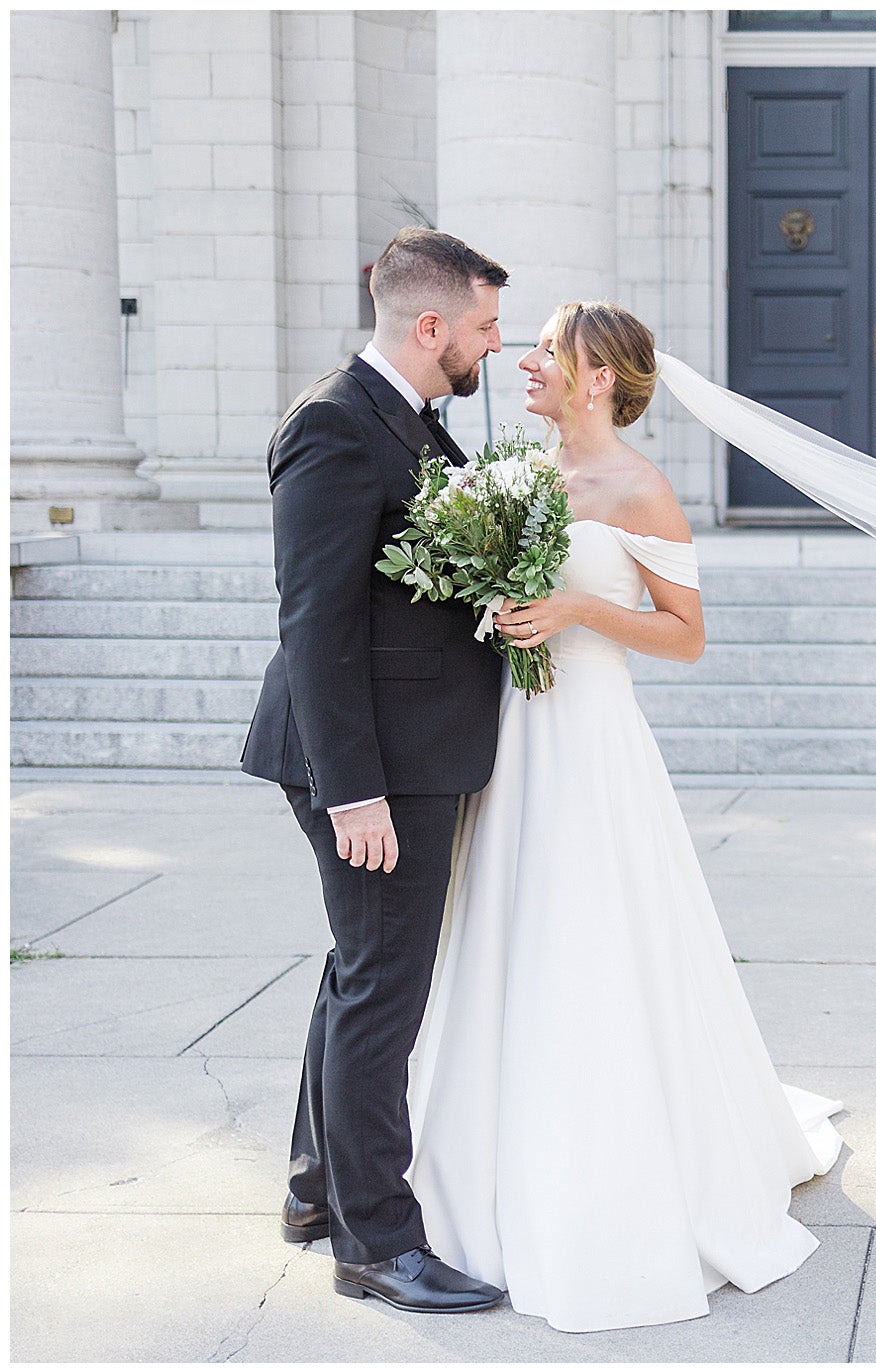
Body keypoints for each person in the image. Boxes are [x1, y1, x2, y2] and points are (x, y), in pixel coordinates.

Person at [404, 300, 847, 1333]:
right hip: (508, 735)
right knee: (499, 927)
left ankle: (612, 1164)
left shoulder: (641, 490)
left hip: (592, 739)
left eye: (546, 350)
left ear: (598, 375)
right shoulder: (507, 473)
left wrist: (574, 610)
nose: (525, 362)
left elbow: (684, 635)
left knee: (593, 934)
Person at [241, 227, 512, 1313]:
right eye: (485, 325)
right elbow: (314, 618)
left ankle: (315, 1193)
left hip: (412, 753)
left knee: (360, 969)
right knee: (383, 991)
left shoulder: (414, 424)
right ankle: (377, 1243)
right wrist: (354, 791)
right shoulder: (333, 426)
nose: (495, 343)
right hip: (369, 768)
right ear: (430, 323)